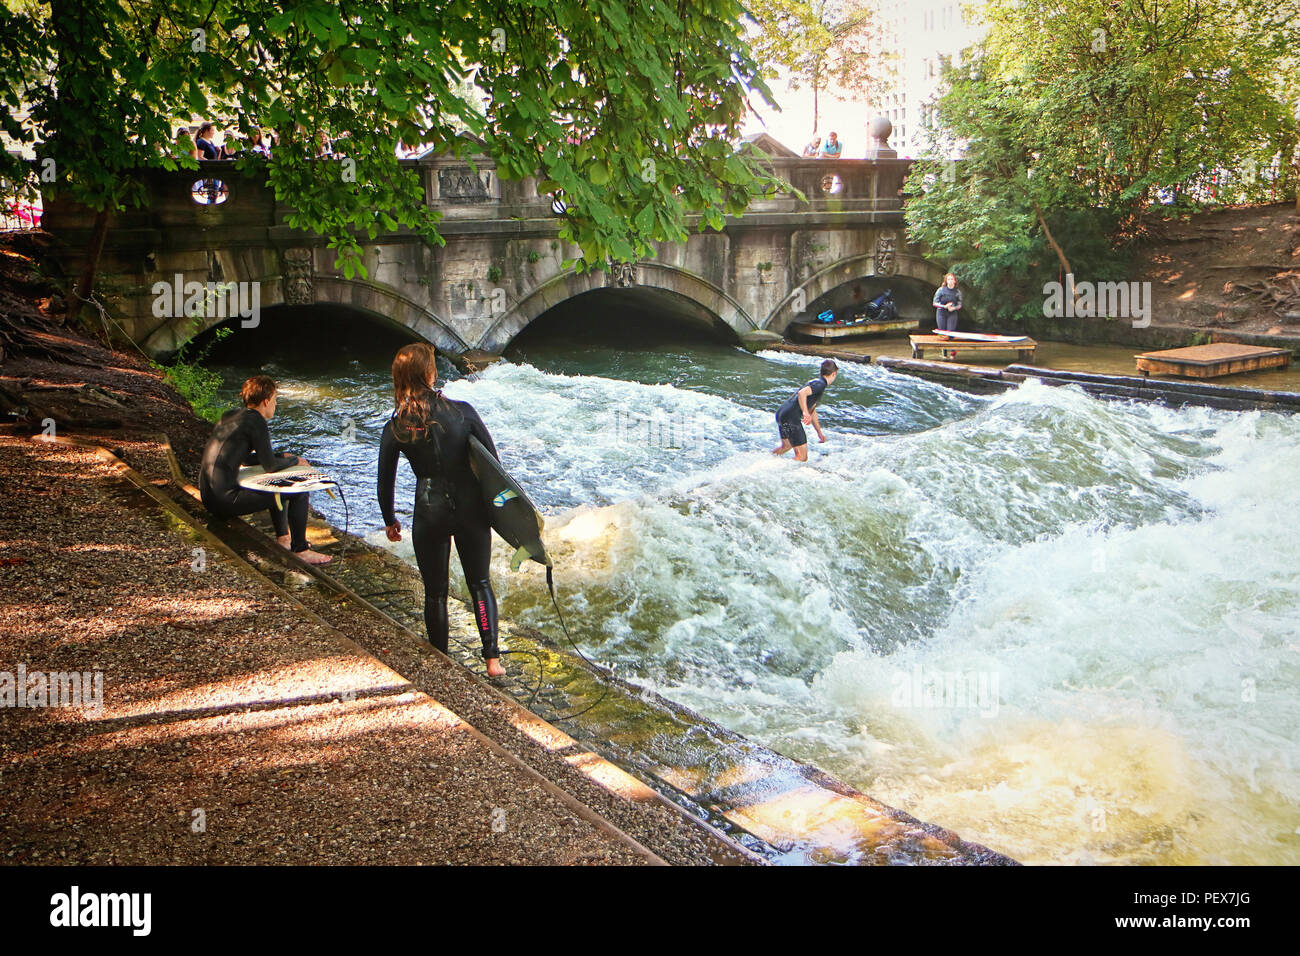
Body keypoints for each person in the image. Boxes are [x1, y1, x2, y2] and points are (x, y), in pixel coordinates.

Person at [377, 343, 506, 677]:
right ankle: (492, 660)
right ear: (430, 374)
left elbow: (384, 482)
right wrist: (500, 510)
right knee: (479, 582)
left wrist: (390, 519)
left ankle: (441, 661)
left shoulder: (396, 427)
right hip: (470, 507)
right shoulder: (463, 411)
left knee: (435, 592)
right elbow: (494, 464)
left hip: (429, 508)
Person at [199, 376, 332, 565]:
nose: (276, 405)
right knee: (298, 492)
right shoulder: (256, 421)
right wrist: (295, 460)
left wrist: (282, 456)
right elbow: (270, 466)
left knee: (272, 483)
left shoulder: (230, 415)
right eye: (275, 400)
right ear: (266, 401)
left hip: (208, 497)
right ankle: (301, 549)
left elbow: (247, 458)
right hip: (225, 502)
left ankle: (283, 537)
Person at [772, 359, 838, 462]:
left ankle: (766, 460)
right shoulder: (820, 384)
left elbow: (812, 410)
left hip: (782, 414)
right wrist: (805, 412)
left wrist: (819, 433)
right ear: (834, 373)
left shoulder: (815, 383)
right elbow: (802, 393)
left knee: (787, 446)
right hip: (790, 417)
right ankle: (775, 472)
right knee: (802, 457)